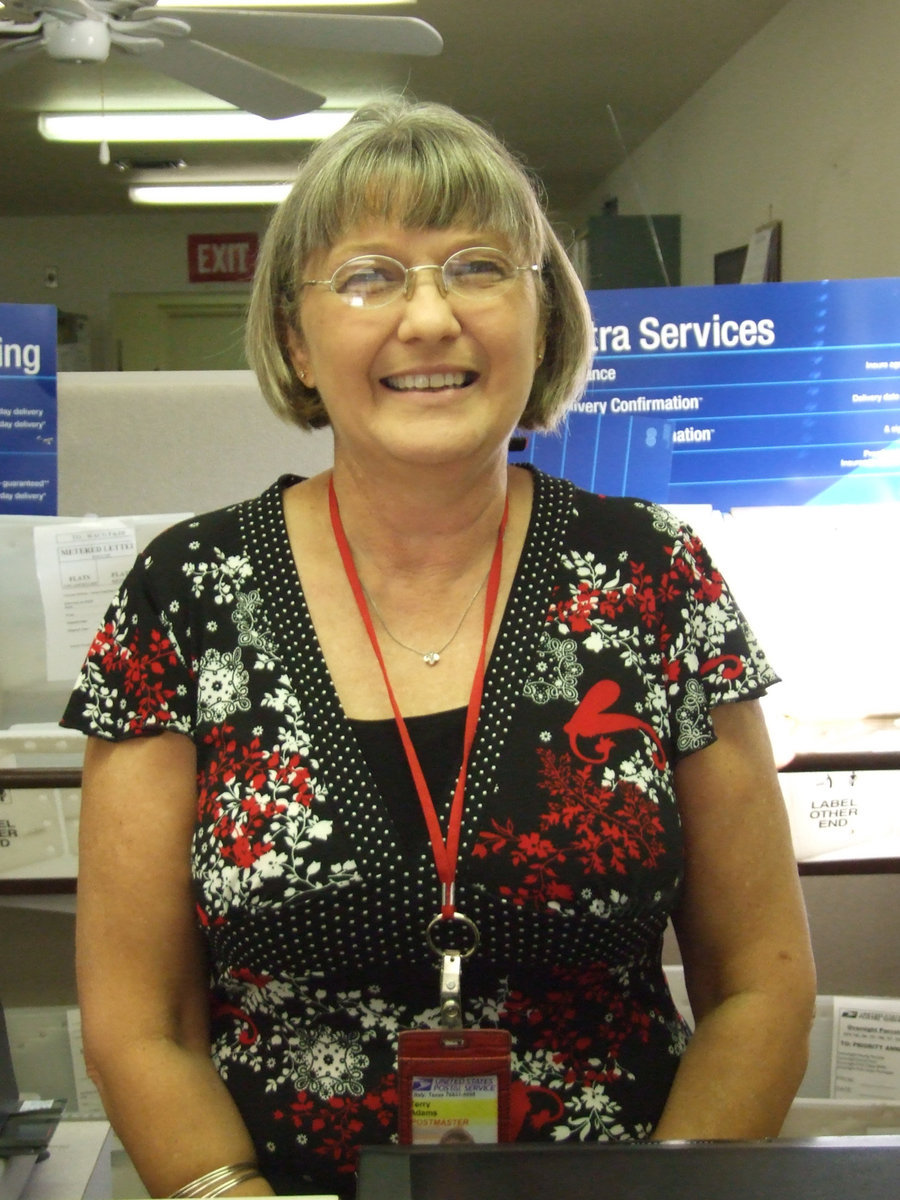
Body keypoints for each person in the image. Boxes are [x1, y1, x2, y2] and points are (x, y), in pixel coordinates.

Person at [62, 97, 816, 1199]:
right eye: (369, 275)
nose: (428, 319)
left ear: (544, 316)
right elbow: (144, 1022)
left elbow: (762, 980)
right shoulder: (186, 594)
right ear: (292, 337)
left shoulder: (654, 574)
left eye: (477, 267)